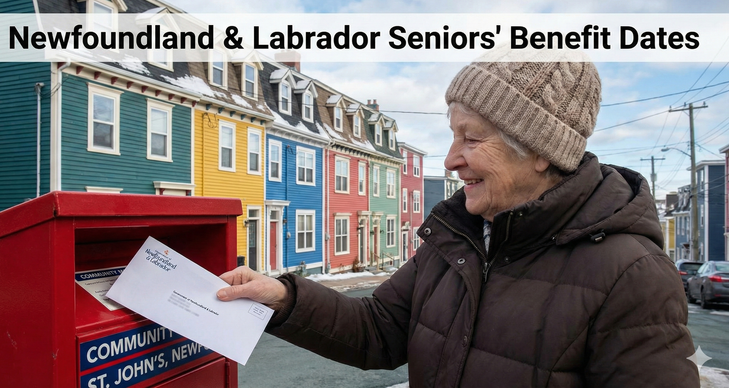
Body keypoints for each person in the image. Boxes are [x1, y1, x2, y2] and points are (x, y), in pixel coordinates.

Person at [216, 49, 699, 388]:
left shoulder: (631, 273)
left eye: (472, 139)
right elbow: (378, 331)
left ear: (538, 151)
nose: (450, 160)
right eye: (453, 136)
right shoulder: (457, 241)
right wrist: (281, 298)